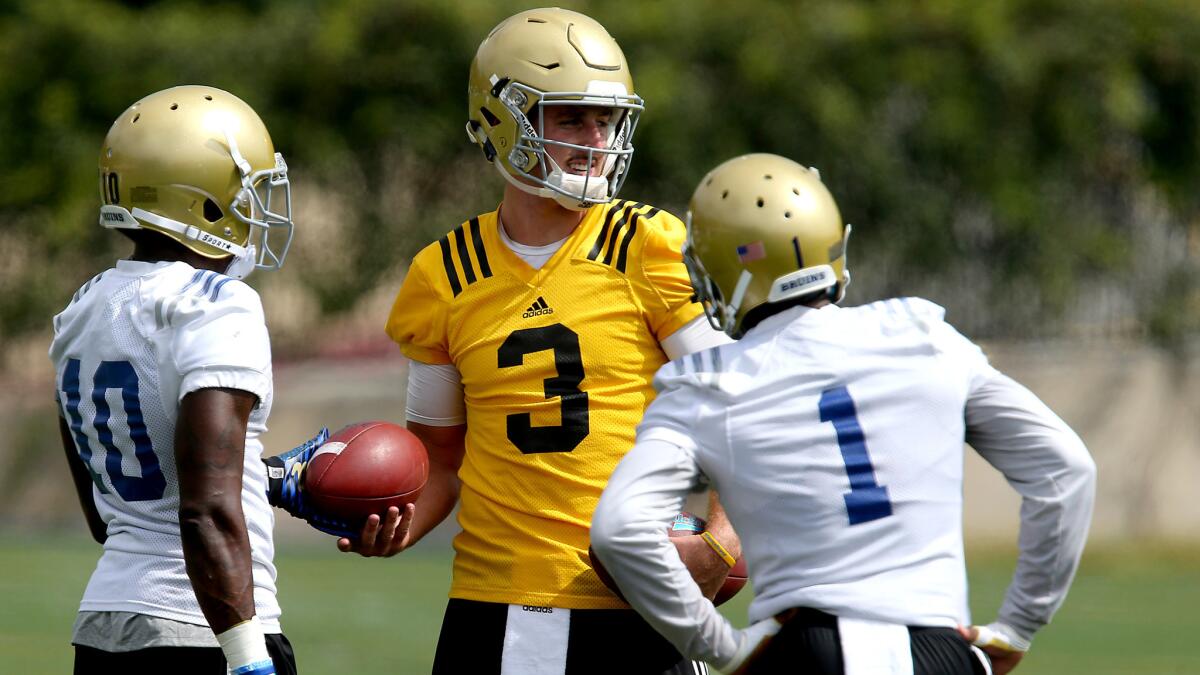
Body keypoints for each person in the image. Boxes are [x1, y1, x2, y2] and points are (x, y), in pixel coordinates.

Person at [324, 7, 736, 674]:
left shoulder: (650, 246)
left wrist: (720, 541)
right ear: (503, 120)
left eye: (606, 119)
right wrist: (392, 521)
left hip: (635, 601)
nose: (596, 139)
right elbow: (440, 458)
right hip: (494, 603)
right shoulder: (444, 273)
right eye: (571, 116)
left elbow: (741, 407)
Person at [591, 153, 1097, 675]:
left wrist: (719, 646)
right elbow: (1066, 470)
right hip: (940, 651)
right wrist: (1018, 625)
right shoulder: (923, 334)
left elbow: (619, 528)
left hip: (806, 650)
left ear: (719, 267)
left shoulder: (708, 383)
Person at [51, 85, 299, 675]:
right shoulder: (216, 305)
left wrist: (277, 479)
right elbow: (203, 510)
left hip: (104, 629)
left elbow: (112, 501)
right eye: (247, 190)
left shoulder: (82, 306)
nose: (257, 207)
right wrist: (247, 658)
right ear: (200, 197)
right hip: (204, 629)